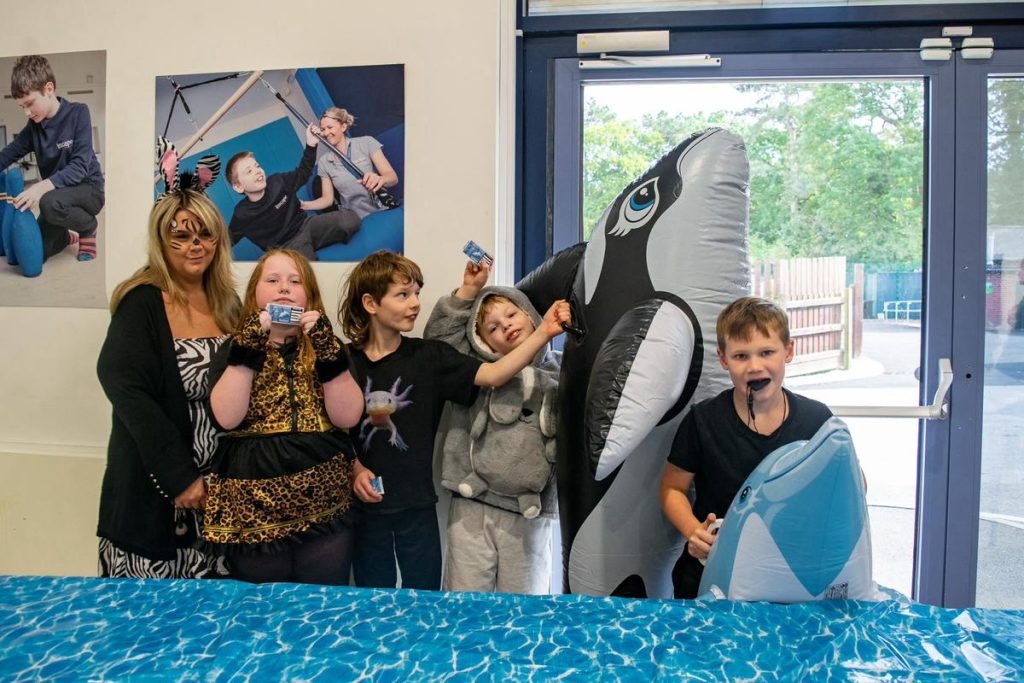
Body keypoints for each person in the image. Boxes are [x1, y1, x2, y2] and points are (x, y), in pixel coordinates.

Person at [338, 249, 571, 591]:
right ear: (371, 304)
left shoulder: (429, 357)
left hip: (417, 508)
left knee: (428, 602)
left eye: (416, 292)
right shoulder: (343, 361)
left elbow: (492, 374)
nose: (415, 303)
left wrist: (543, 332)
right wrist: (355, 468)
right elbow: (332, 429)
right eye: (403, 295)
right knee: (373, 600)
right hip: (363, 511)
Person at [96, 188, 240, 578]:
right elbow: (125, 388)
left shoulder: (229, 305)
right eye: (181, 236)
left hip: (219, 502)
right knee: (145, 629)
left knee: (212, 629)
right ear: (161, 242)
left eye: (205, 234)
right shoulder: (141, 301)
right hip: (157, 495)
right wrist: (180, 475)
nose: (196, 246)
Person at [202, 249, 363, 585]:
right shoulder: (233, 347)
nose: (284, 288)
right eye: (272, 280)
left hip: (324, 503)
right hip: (253, 507)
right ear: (254, 294)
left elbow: (348, 417)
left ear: (309, 296)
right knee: (260, 610)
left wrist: (327, 350)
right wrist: (247, 348)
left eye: (295, 281)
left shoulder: (328, 346)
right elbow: (226, 418)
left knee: (322, 607)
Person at [659, 296, 834, 599]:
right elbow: (672, 489)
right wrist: (693, 531)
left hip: (787, 580)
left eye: (767, 352)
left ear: (788, 352)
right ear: (724, 359)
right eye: (741, 356)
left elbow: (850, 486)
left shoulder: (818, 420)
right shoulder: (703, 420)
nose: (754, 366)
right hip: (708, 576)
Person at [424, 260, 559, 594]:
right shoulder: (475, 371)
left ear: (529, 314)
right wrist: (468, 291)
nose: (506, 327)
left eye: (511, 316)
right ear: (483, 342)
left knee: (525, 610)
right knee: (465, 603)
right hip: (473, 502)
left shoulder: (561, 374)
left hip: (530, 511)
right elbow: (438, 341)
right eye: (493, 328)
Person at [0, 55, 104, 262]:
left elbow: (80, 166)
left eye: (30, 103)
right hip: (58, 197)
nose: (27, 112)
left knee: (48, 202)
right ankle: (65, 237)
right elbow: (8, 154)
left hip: (89, 190)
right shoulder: (33, 128)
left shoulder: (78, 113)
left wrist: (39, 188)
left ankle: (88, 227)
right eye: (22, 107)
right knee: (34, 251)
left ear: (49, 89)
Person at [226, 123, 359, 261]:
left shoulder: (278, 181)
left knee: (350, 220)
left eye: (257, 166)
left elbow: (303, 173)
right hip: (287, 246)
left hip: (307, 225)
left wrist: (311, 145)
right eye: (249, 171)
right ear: (239, 187)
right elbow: (227, 240)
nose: (257, 171)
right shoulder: (242, 214)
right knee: (307, 270)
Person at [302, 107, 398, 220]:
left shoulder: (367, 142)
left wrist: (380, 179)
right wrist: (305, 205)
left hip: (383, 210)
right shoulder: (324, 162)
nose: (326, 133)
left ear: (343, 126)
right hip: (355, 220)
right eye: (322, 129)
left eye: (330, 127)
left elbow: (392, 178)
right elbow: (327, 200)